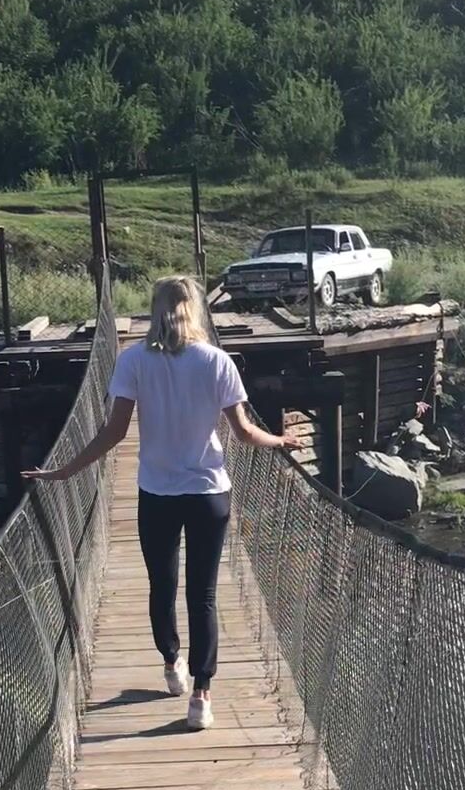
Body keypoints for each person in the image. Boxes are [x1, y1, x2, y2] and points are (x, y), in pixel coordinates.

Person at [22, 276, 297, 730]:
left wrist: (64, 471)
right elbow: (246, 433)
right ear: (197, 309)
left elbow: (114, 433)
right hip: (209, 492)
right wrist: (281, 440)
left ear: (156, 310)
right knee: (203, 594)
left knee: (161, 585)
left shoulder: (133, 360)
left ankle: (172, 664)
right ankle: (202, 697)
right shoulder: (218, 361)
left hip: (157, 493)